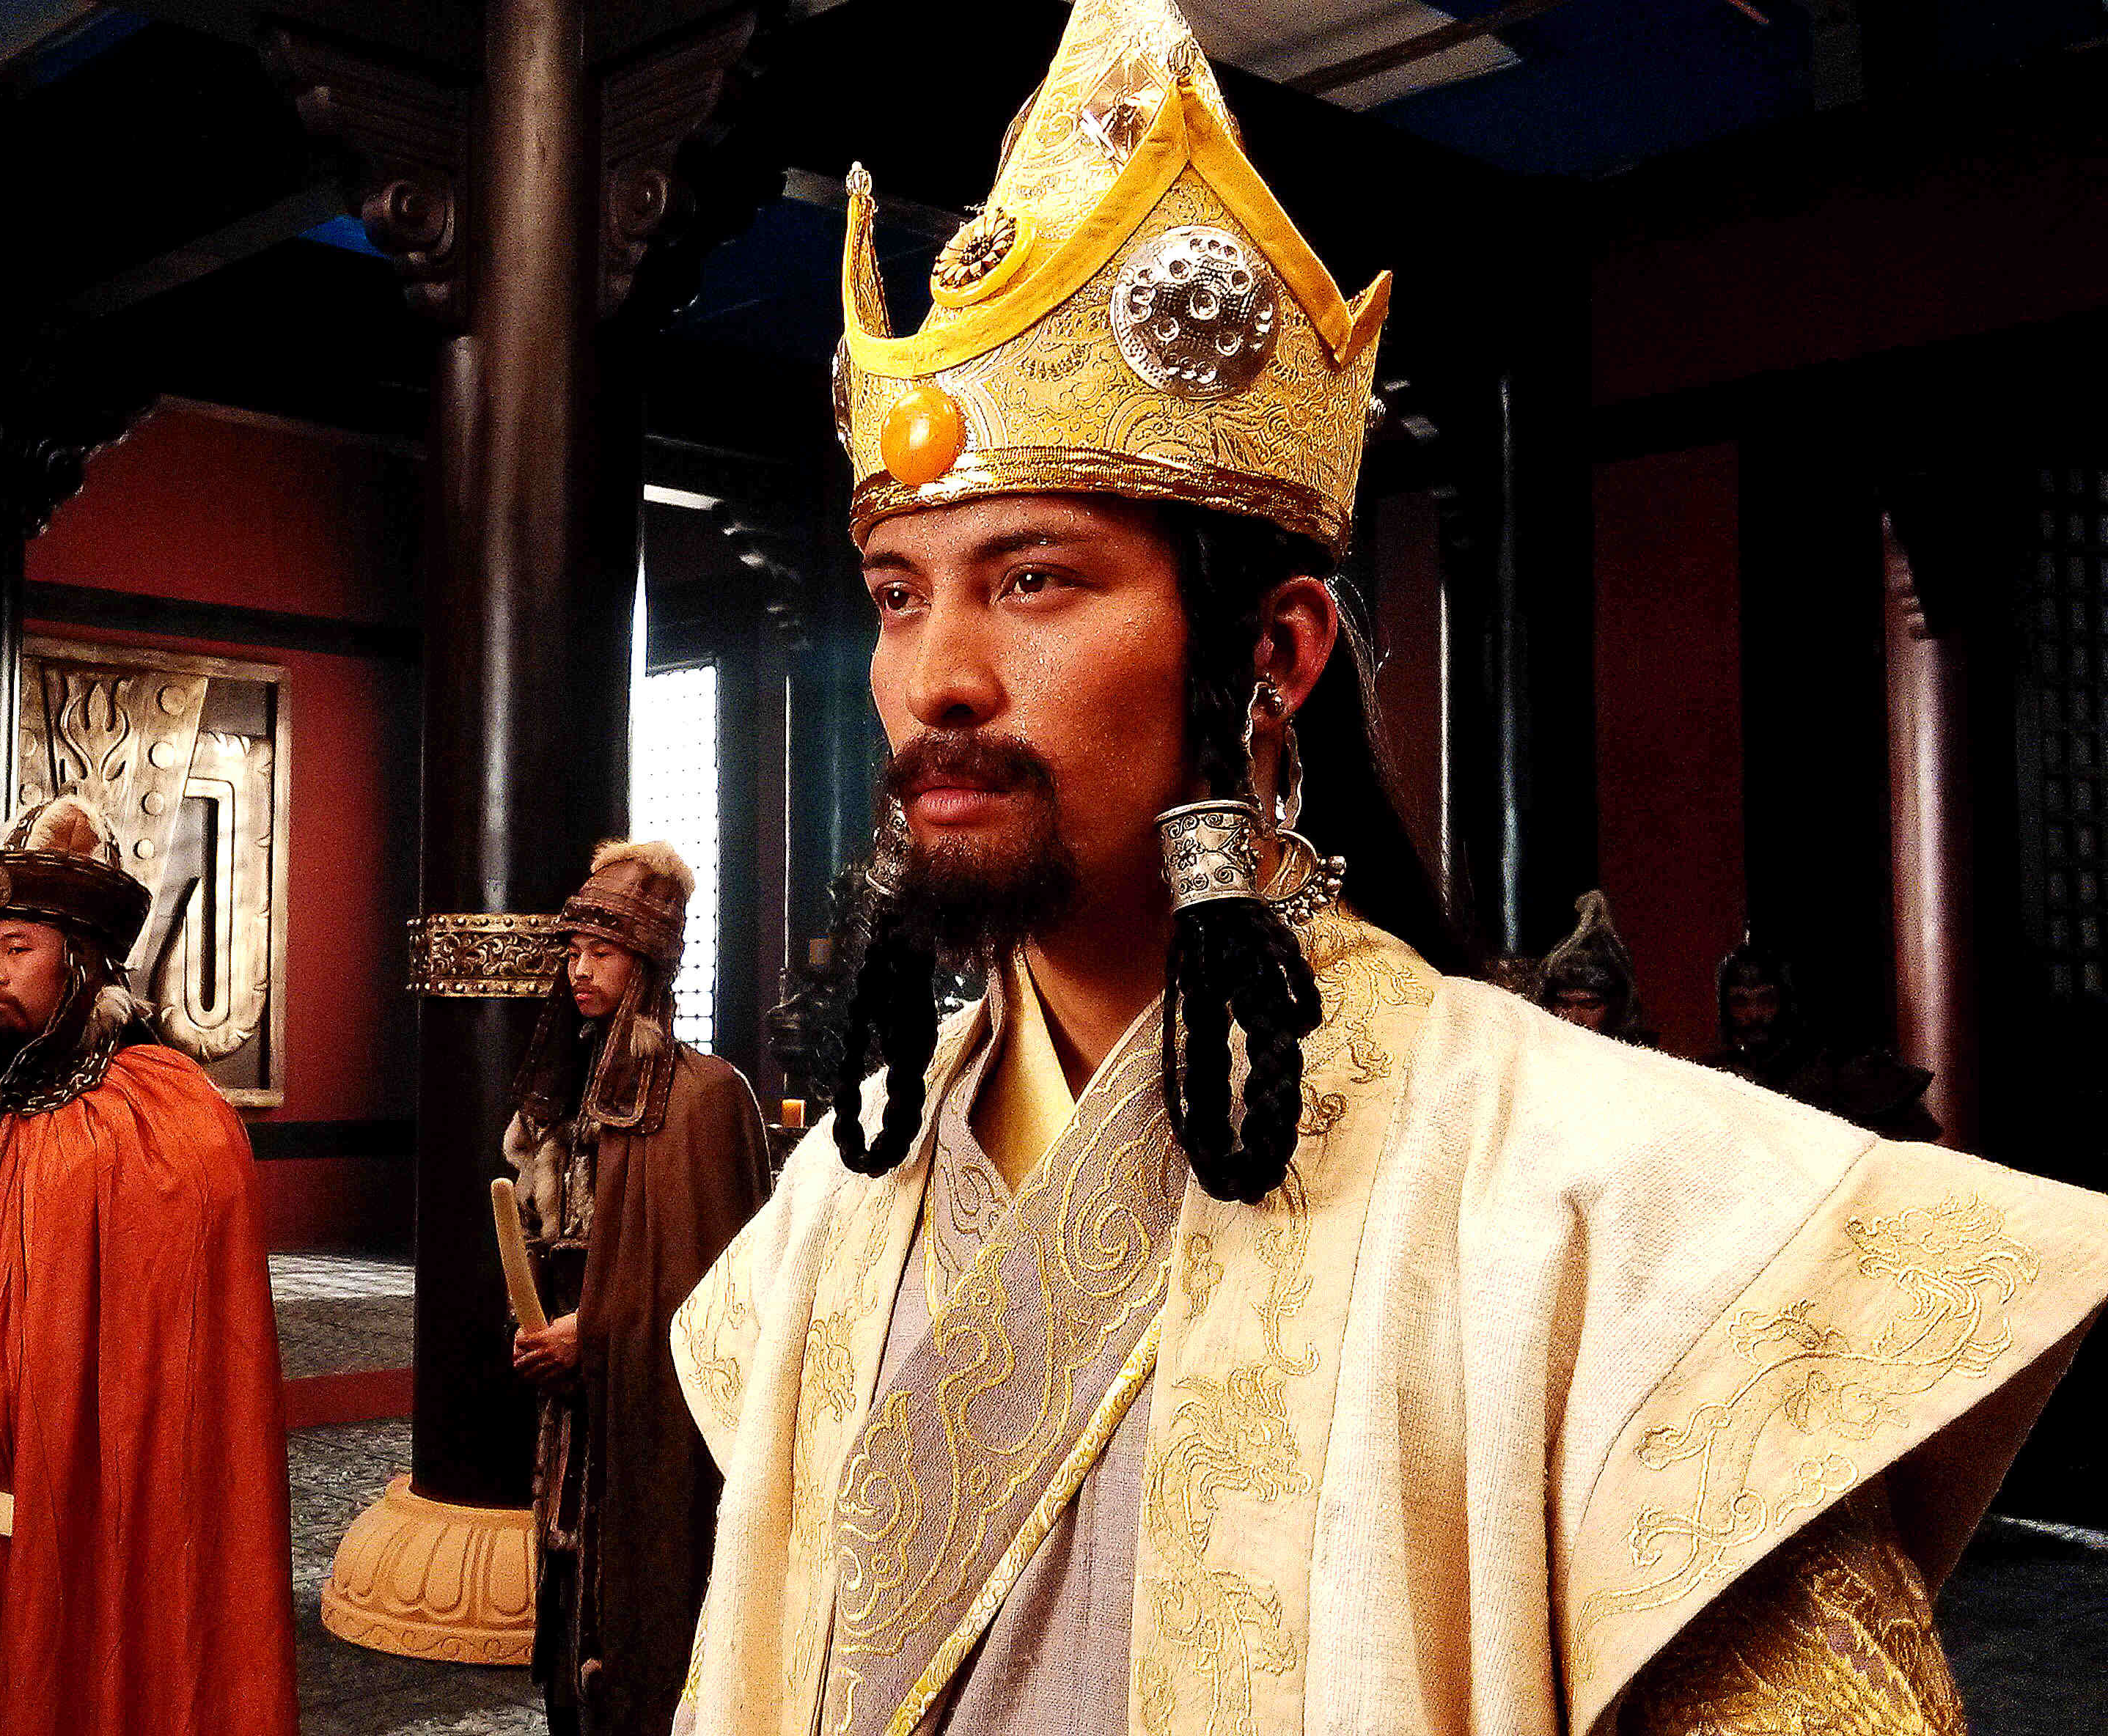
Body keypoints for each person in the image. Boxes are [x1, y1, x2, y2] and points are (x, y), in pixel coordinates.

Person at [666, 7, 2108, 1735]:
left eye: (1033, 579)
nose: (936, 677)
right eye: (900, 595)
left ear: (1272, 656)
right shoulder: (839, 1204)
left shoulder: (1581, 1207)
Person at [0, 794, 294, 1736]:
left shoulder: (160, 1116)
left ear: (81, 959)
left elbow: (108, 1339)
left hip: (79, 1467)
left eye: (18, 949)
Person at [502, 840, 767, 1736]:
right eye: (572, 952)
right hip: (575, 1416)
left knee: (648, 1604)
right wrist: (543, 1327)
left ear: (647, 961)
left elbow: (721, 1298)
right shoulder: (567, 1096)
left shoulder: (705, 1099)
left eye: (602, 952)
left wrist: (596, 1332)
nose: (579, 970)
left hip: (658, 1423)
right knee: (571, 1595)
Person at [1703, 928, 1941, 1141]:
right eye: (1740, 1002)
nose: (1754, 1014)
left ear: (1783, 1002)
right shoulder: (1717, 1076)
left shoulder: (1830, 1068)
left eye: (1766, 1000)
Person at [1533, 888, 1657, 1045]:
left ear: (1615, 1009)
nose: (1573, 1019)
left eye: (1589, 1005)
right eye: (1564, 1005)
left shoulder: (1637, 1058)